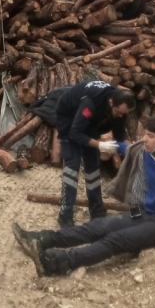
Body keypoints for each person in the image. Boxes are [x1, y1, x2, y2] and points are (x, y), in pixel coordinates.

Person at [12, 115, 155, 276]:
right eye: (144, 134)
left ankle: (58, 263)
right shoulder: (142, 151)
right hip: (143, 212)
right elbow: (123, 147)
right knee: (97, 227)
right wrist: (94, 142)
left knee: (115, 239)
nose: (144, 139)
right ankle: (42, 239)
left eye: (150, 136)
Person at [52, 81, 136, 228]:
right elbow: (75, 133)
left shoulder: (119, 106)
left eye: (124, 113)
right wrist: (100, 145)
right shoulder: (90, 103)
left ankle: (97, 212)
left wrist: (132, 149)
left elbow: (120, 134)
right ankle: (65, 215)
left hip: (89, 121)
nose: (121, 116)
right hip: (69, 120)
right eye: (119, 112)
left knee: (92, 165)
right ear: (111, 103)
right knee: (73, 165)